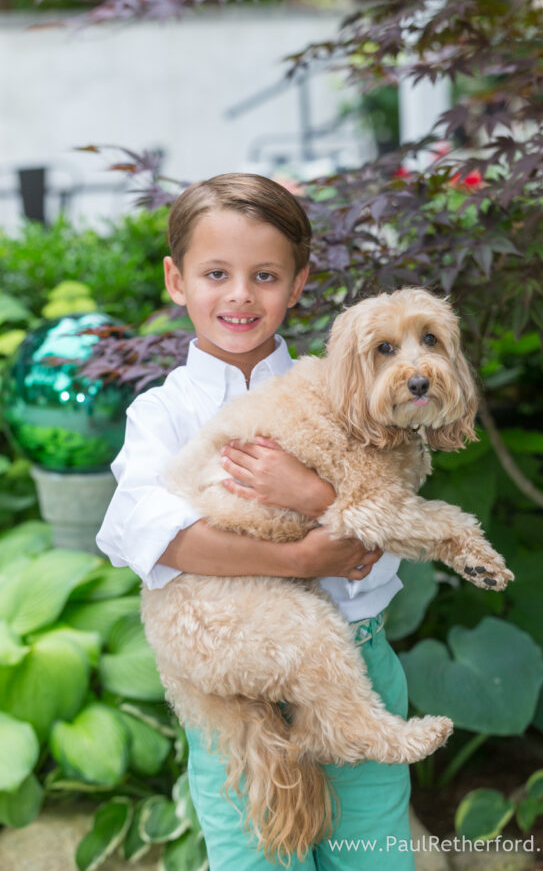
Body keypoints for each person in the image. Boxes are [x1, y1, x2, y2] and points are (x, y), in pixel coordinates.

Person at [97, 173, 416, 870]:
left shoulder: (342, 400)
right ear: (176, 280)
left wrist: (306, 492)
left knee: (374, 854)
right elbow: (160, 540)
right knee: (254, 858)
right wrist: (305, 559)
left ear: (298, 282)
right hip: (230, 695)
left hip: (356, 664)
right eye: (217, 273)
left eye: (264, 275)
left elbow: (376, 537)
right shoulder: (163, 416)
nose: (241, 294)